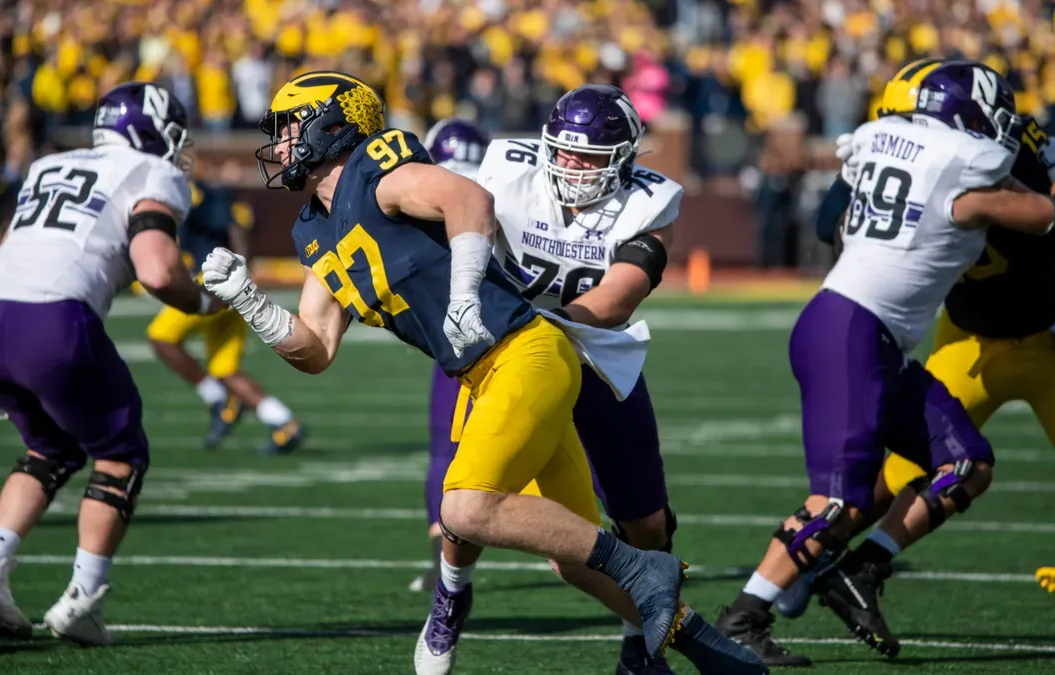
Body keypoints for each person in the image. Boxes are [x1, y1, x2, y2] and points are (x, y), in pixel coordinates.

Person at [200, 70, 695, 671]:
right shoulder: (328, 222)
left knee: (637, 520)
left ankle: (645, 626)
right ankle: (453, 595)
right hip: (495, 351)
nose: (574, 166)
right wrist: (250, 302)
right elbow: (316, 348)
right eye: (564, 151)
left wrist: (475, 298)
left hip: (579, 352)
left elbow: (610, 298)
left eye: (289, 129)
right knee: (504, 518)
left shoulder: (650, 199)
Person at [715, 61, 1055, 667]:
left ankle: (862, 571)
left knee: (967, 462)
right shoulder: (964, 179)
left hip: (869, 337)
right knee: (838, 503)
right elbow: (1045, 217)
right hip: (851, 331)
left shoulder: (896, 153)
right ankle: (742, 618)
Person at [0, 82, 223, 645]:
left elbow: (17, 242)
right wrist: (203, 302)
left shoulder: (50, 163)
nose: (180, 149)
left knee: (50, 448)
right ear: (150, 133)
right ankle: (83, 599)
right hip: (51, 319)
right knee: (121, 454)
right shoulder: (154, 173)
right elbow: (155, 270)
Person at [146, 159, 303, 454]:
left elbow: (233, 227)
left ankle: (217, 399)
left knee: (161, 337)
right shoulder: (193, 192)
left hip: (214, 281)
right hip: (226, 283)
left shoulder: (200, 193)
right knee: (225, 368)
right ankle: (284, 423)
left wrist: (238, 273)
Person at [414, 117, 491, 594]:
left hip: (456, 343)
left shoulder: (420, 192)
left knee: (446, 453)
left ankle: (447, 568)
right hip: (515, 335)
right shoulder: (494, 192)